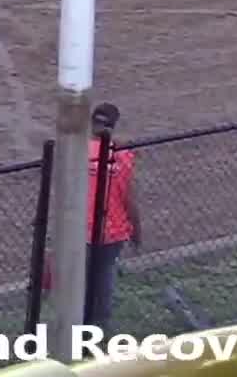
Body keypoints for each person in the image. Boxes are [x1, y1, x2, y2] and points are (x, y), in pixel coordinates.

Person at [85, 102, 140, 333]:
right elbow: (128, 198)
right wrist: (137, 229)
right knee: (105, 274)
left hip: (82, 229)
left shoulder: (80, 152)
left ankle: (78, 322)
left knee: (81, 277)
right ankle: (100, 323)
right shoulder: (123, 156)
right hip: (114, 229)